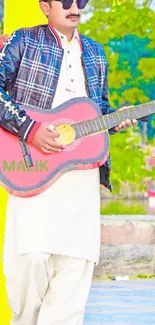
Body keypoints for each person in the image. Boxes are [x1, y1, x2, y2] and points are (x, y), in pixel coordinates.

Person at [0, 1, 138, 324]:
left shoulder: (95, 53)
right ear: (44, 6)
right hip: (33, 171)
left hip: (82, 180)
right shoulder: (24, 41)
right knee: (30, 259)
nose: (74, 6)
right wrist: (30, 130)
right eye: (64, 0)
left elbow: (97, 112)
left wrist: (115, 120)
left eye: (81, 1)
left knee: (76, 269)